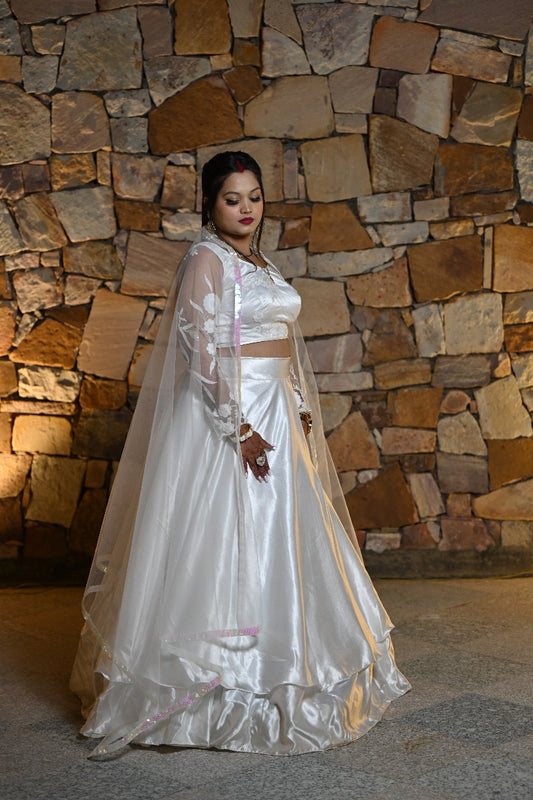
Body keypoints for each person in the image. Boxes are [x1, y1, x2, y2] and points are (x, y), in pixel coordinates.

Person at [70, 151, 410, 758]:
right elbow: (202, 352)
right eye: (233, 198)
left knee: (283, 541)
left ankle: (285, 662)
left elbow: (279, 342)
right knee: (230, 541)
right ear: (210, 204)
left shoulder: (258, 261)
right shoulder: (207, 258)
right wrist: (240, 428)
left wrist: (299, 402)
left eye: (254, 196)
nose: (247, 208)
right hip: (232, 417)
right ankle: (219, 689)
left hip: (275, 406)